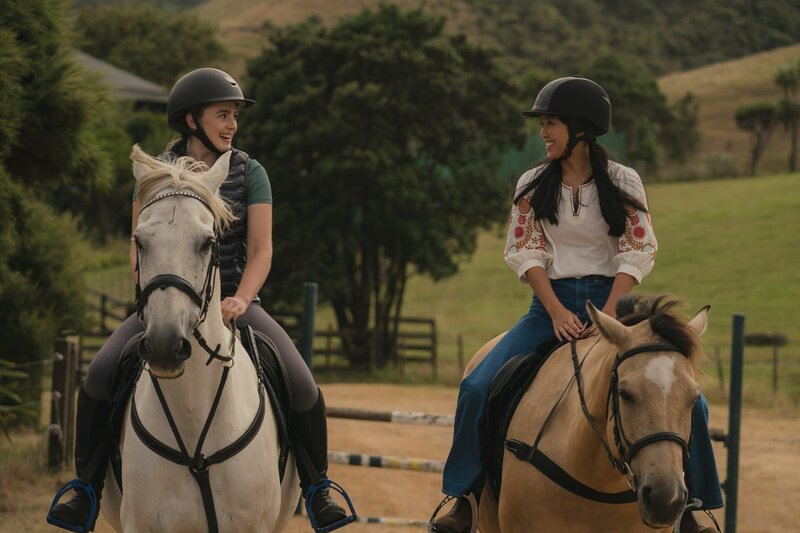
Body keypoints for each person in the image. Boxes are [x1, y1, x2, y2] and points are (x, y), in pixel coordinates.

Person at [48, 68, 352, 532]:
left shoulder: (251, 173)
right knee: (98, 376)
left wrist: (241, 300)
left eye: (234, 116)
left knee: (303, 384)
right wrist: (154, 297)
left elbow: (262, 250)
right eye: (222, 115)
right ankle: (85, 488)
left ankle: (317, 488)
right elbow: (138, 246)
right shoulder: (152, 174)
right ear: (192, 120)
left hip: (234, 303)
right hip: (162, 303)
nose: (232, 125)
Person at [430, 76, 722, 533]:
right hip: (551, 304)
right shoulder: (532, 183)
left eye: (551, 124)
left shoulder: (623, 181)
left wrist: (607, 315)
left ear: (580, 129)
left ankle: (690, 506)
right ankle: (464, 498)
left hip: (617, 305)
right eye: (543, 124)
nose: (543, 133)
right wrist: (555, 311)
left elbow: (637, 249)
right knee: (477, 385)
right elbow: (525, 250)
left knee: (690, 400)